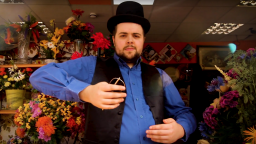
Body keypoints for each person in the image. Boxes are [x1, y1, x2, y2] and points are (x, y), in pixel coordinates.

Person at [29, 1, 196, 144]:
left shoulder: (161, 76)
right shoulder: (90, 66)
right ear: (114, 39)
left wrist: (181, 129)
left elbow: (184, 113)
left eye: (136, 35)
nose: (130, 40)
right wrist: (85, 92)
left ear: (143, 40)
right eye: (123, 35)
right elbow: (39, 76)